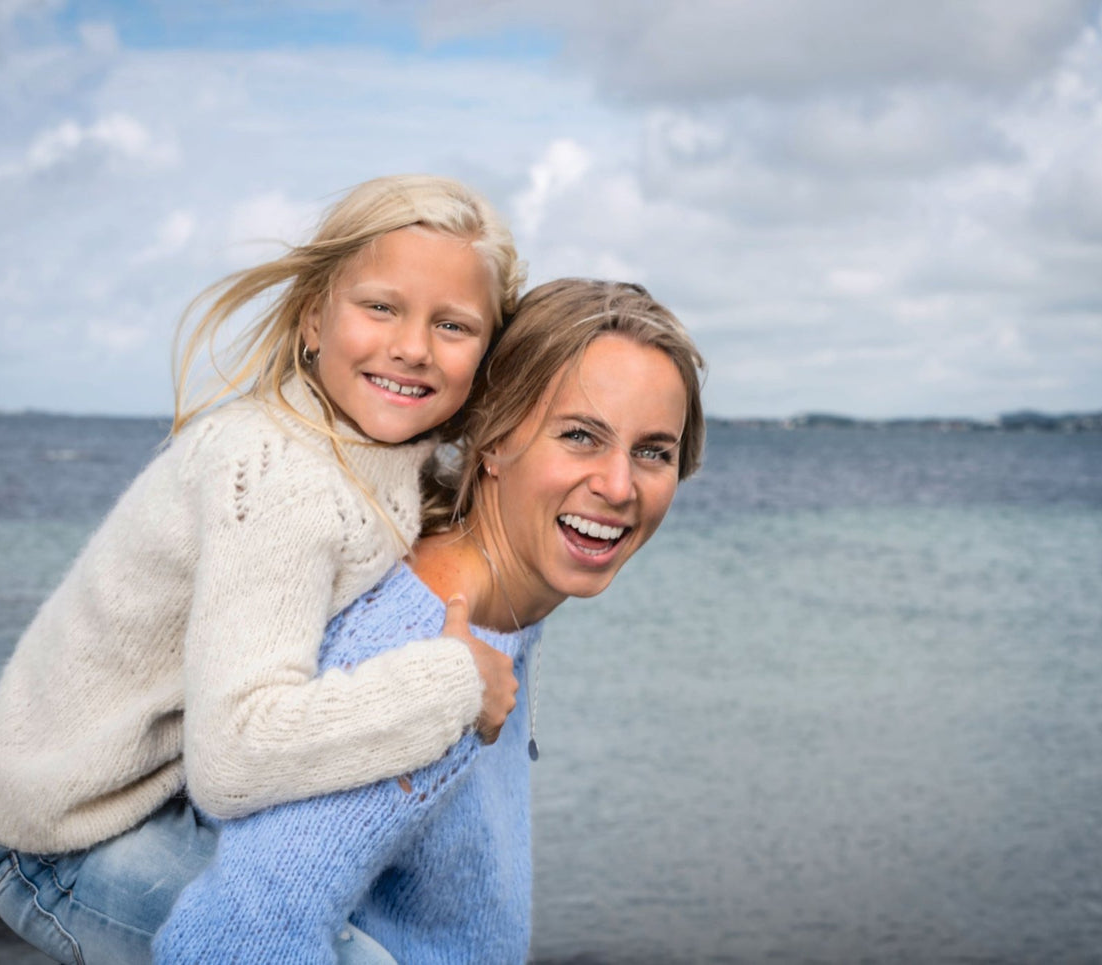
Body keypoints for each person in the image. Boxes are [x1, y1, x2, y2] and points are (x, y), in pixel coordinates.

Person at [0, 174, 528, 965]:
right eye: (380, 306)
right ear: (314, 317)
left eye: (452, 324)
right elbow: (238, 753)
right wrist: (455, 683)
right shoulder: (278, 471)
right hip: (61, 839)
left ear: (486, 353)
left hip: (154, 803)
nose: (412, 346)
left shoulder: (379, 454)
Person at [154, 278, 707, 964]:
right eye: (579, 436)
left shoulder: (498, 606)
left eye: (653, 451)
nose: (619, 486)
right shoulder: (416, 656)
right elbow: (231, 943)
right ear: (495, 439)